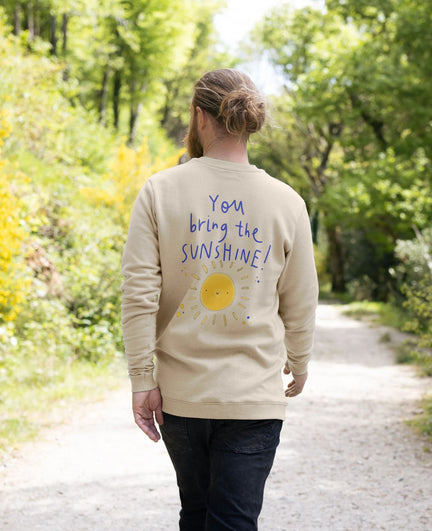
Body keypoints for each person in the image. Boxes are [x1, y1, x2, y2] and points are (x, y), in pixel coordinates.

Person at [120, 68, 319, 531]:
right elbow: (300, 299)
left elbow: (138, 294)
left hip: (181, 397)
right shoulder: (286, 201)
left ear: (198, 117)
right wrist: (300, 362)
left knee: (197, 513)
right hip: (254, 399)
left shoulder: (159, 190)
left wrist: (141, 378)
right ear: (248, 122)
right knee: (233, 520)